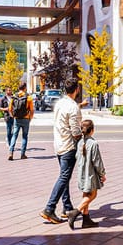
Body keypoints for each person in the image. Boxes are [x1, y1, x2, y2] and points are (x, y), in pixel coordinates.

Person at [40, 79, 83, 224]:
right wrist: (83, 137)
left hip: (58, 143)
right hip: (69, 146)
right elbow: (75, 131)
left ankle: (67, 207)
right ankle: (49, 208)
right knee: (64, 177)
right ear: (76, 89)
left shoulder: (60, 103)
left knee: (64, 176)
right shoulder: (73, 107)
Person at [69, 119, 106, 230]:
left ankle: (86, 219)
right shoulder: (93, 143)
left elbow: (76, 156)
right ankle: (75, 212)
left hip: (82, 173)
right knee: (93, 195)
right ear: (92, 130)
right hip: (91, 174)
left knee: (86, 194)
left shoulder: (80, 142)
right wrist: (102, 174)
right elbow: (97, 161)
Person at [9, 82, 33, 161]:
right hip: (25, 118)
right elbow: (32, 110)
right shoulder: (28, 97)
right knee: (24, 136)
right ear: (25, 88)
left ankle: (11, 152)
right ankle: (22, 154)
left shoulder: (14, 97)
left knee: (14, 135)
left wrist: (13, 116)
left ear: (18, 88)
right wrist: (30, 118)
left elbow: (10, 109)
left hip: (17, 119)